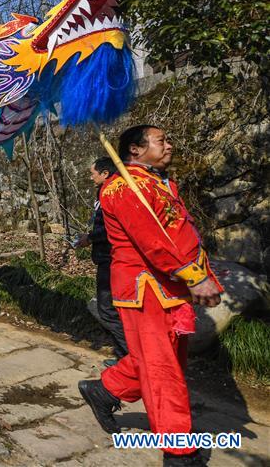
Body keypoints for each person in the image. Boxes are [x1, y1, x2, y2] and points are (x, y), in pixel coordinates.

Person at [78, 125, 223, 467]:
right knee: (163, 370)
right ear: (136, 150)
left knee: (162, 361)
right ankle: (178, 452)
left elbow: (181, 232)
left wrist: (202, 276)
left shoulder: (158, 182)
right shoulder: (123, 188)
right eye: (162, 140)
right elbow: (153, 241)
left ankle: (104, 389)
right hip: (146, 288)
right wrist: (194, 277)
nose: (170, 145)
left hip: (171, 284)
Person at [75, 157, 128, 365]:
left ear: (105, 173)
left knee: (107, 310)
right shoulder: (110, 189)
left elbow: (109, 226)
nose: (91, 177)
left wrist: (90, 238)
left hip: (111, 259)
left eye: (93, 173)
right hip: (111, 258)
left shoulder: (112, 191)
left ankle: (129, 357)